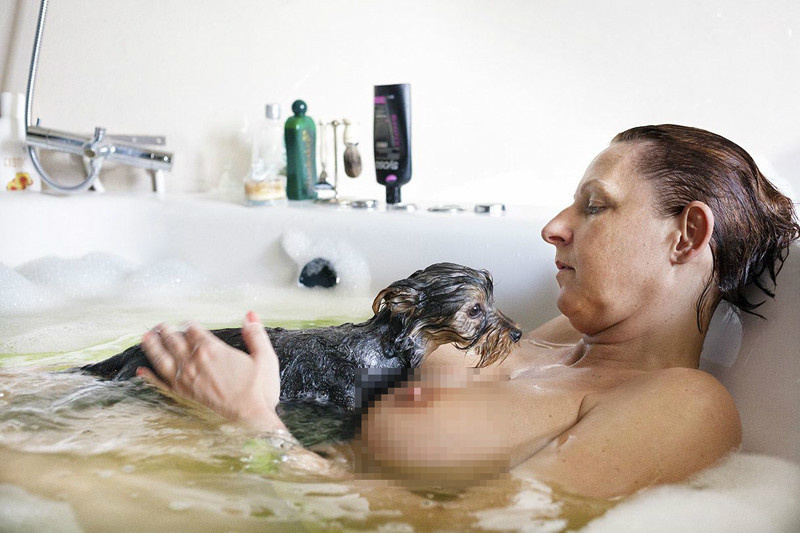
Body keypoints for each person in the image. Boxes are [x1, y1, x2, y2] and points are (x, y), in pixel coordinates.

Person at [136, 125, 799, 499]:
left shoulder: (684, 403)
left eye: (595, 205)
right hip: (217, 456)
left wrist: (257, 430)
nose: (553, 227)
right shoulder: (571, 338)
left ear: (686, 235)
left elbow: (475, 527)